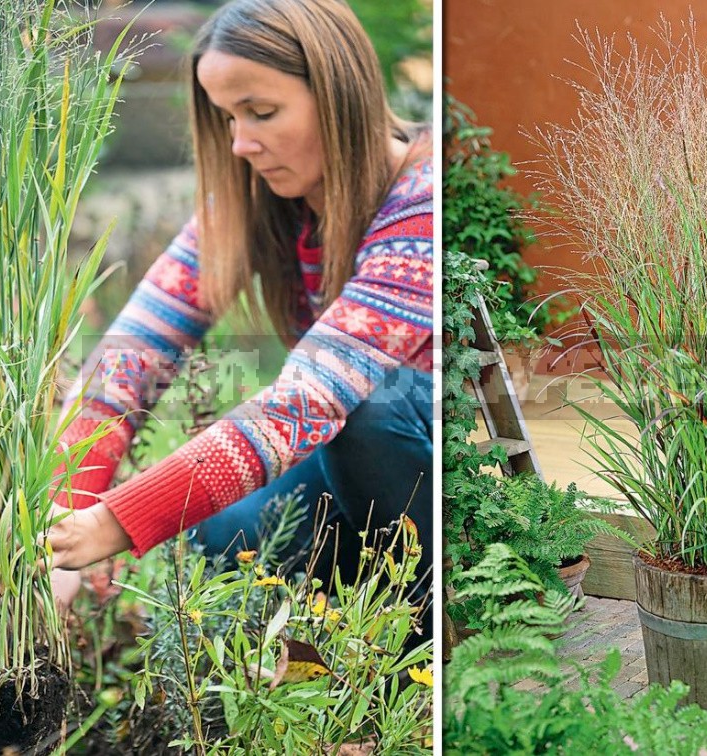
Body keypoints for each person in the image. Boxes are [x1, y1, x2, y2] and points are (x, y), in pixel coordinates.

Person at [46, 0, 432, 608]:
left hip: (429, 465)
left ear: (340, 95)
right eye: (229, 118)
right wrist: (64, 515)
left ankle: (416, 619)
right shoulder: (259, 194)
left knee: (371, 407)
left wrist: (114, 524)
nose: (241, 144)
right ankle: (347, 601)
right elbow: (135, 352)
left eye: (262, 112)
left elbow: (306, 404)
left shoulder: (421, 207)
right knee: (213, 539)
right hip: (347, 464)